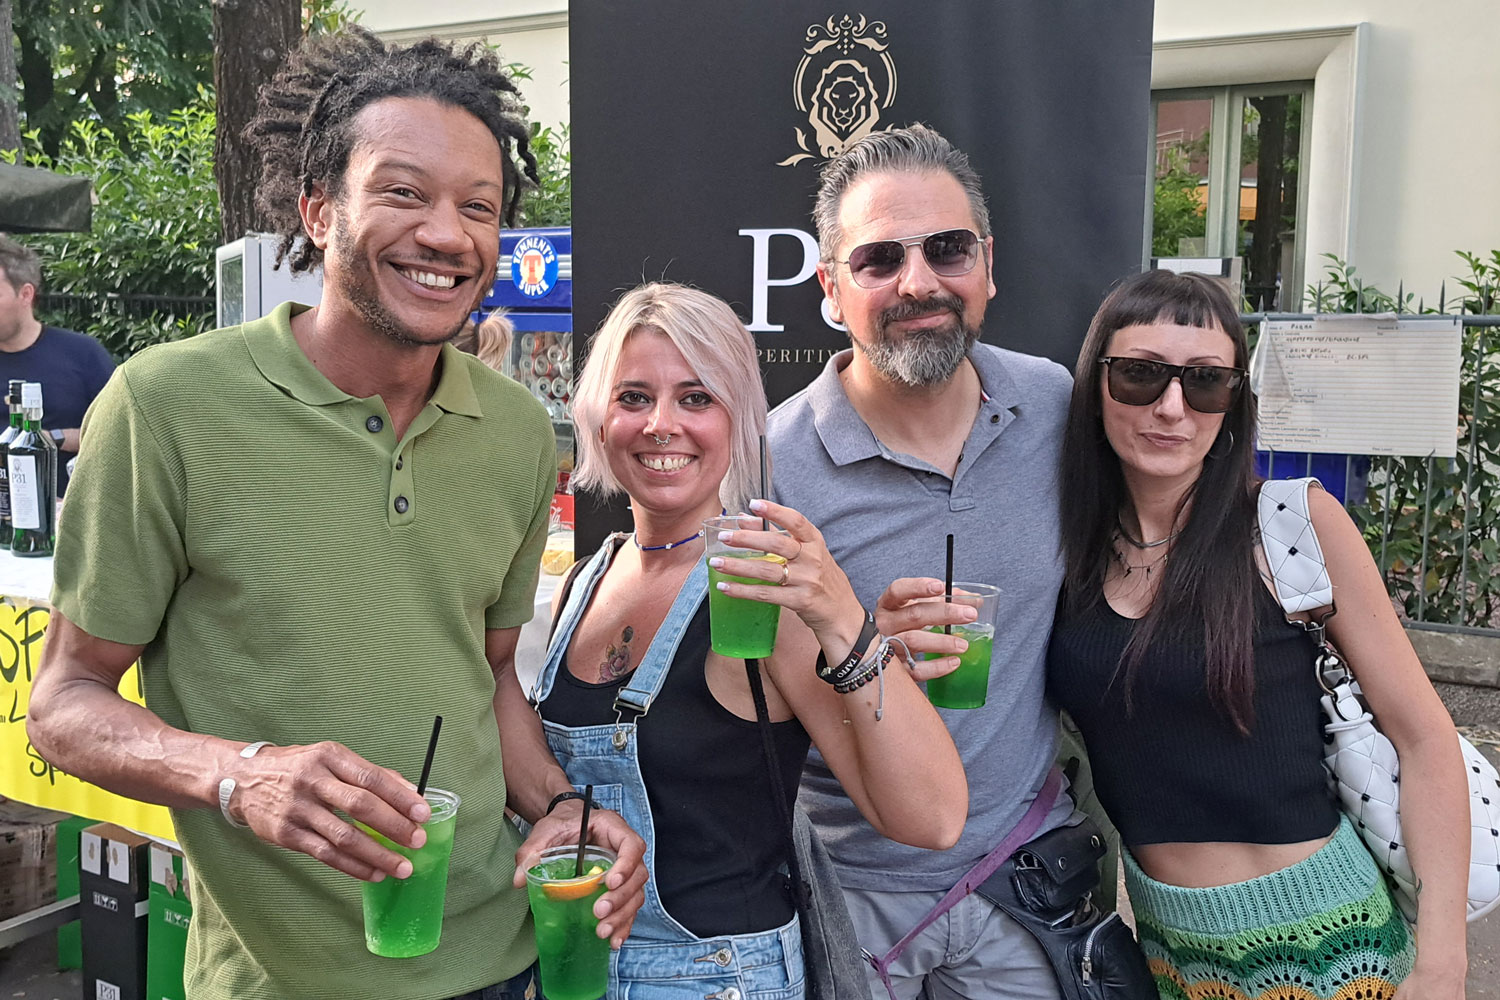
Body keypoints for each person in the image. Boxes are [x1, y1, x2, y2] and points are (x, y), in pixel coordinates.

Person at [27, 29, 646, 1000]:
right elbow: (63, 704)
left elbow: (487, 676)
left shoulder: (520, 432)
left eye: (478, 207)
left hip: (502, 958)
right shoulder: (166, 407)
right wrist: (242, 773)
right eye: (404, 192)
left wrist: (560, 806)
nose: (446, 234)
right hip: (279, 978)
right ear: (318, 210)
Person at [531, 281, 967, 998]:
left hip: (721, 978)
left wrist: (842, 618)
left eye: (696, 398)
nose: (661, 424)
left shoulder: (762, 596)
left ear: (739, 424)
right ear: (598, 420)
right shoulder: (583, 582)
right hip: (573, 972)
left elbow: (933, 819)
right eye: (634, 397)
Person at [1047, 268, 1469, 999]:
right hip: (1168, 953)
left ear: (1233, 400)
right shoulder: (1066, 548)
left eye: (1206, 382)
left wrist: (1443, 961)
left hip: (1329, 944)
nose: (1172, 408)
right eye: (1141, 375)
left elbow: (1425, 738)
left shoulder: (1291, 524)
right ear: (1095, 386)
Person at [767, 124, 1081, 999]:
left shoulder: (1056, 406)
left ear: (987, 264)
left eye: (947, 249)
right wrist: (860, 656)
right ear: (830, 288)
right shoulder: (772, 466)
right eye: (878, 259)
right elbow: (741, 694)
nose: (918, 282)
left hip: (1023, 875)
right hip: (852, 890)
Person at [0, 234, 115, 493]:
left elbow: (119, 432)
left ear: (25, 294)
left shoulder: (82, 355)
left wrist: (51, 438)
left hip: (65, 505)